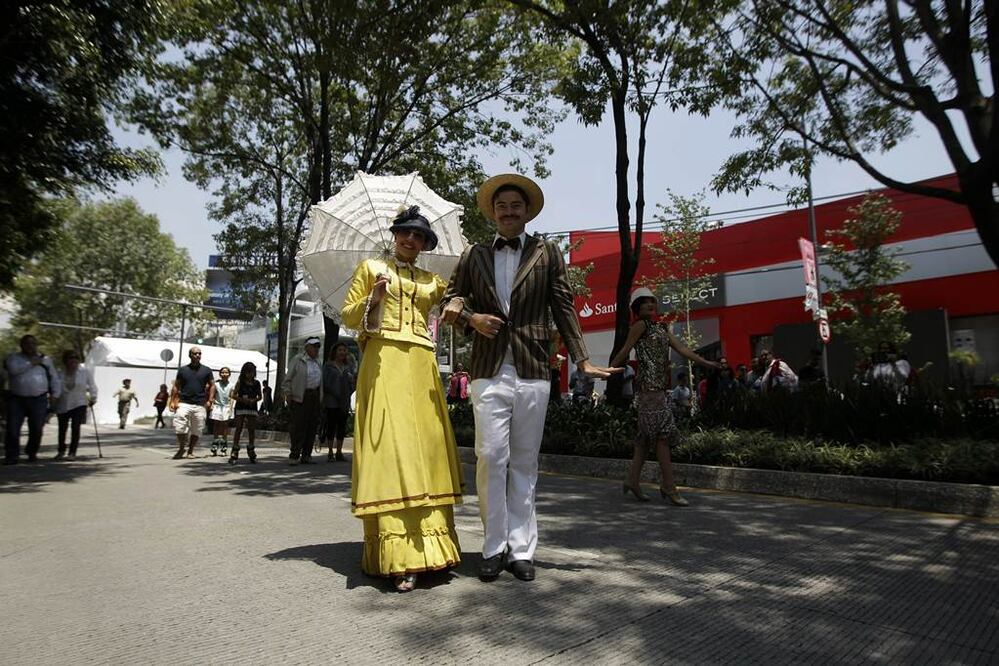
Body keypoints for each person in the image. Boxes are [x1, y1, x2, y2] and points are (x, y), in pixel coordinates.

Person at [441, 173, 617, 583]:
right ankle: (492, 546)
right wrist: (468, 316)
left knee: (524, 462)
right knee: (490, 458)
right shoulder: (473, 255)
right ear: (493, 212)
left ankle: (521, 550)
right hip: (487, 369)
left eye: (514, 205)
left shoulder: (547, 252)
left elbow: (563, 305)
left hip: (534, 366)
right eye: (501, 205)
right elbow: (452, 297)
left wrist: (582, 359)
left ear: (526, 212)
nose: (507, 211)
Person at [341, 205, 465, 593]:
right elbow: (347, 315)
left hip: (422, 362)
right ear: (395, 235)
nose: (411, 240)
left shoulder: (433, 281)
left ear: (426, 244)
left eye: (420, 236)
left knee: (425, 449)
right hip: (383, 360)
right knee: (390, 449)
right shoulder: (370, 269)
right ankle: (398, 559)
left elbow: (459, 304)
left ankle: (432, 551)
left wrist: (459, 304)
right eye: (405, 233)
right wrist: (373, 299)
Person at [611, 288, 721, 506]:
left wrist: (706, 362)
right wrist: (608, 370)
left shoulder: (661, 328)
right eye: (645, 302)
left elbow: (683, 349)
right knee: (662, 436)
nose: (650, 305)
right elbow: (625, 350)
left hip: (658, 388)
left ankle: (633, 480)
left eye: (653, 301)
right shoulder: (640, 326)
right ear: (637, 307)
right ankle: (669, 486)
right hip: (648, 389)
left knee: (645, 438)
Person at [4, 335, 61, 464]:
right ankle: (12, 455)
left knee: (36, 428)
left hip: (39, 399)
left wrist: (55, 395)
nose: (30, 346)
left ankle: (32, 452)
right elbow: (13, 370)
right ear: (21, 345)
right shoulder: (14, 358)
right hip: (17, 398)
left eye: (33, 344)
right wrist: (32, 363)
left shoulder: (46, 360)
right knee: (13, 428)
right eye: (27, 344)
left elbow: (54, 378)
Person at [282, 337, 323, 465]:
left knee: (311, 426)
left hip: (314, 396)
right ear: (307, 347)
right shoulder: (298, 360)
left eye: (318, 346)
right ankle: (294, 454)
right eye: (314, 346)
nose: (316, 349)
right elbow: (287, 379)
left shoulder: (318, 363)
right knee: (298, 426)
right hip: (300, 397)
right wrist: (288, 394)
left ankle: (306, 454)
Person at [169, 346, 214, 459]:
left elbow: (212, 385)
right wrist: (172, 401)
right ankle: (181, 448)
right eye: (195, 353)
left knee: (197, 429)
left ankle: (190, 451)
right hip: (184, 402)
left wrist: (210, 400)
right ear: (190, 355)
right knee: (179, 426)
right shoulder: (183, 370)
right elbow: (176, 386)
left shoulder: (207, 370)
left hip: (200, 403)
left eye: (199, 353)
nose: (197, 355)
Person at [54, 350, 97, 460]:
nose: (73, 360)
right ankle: (61, 450)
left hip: (79, 402)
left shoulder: (84, 372)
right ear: (65, 360)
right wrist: (53, 402)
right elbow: (56, 389)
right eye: (70, 358)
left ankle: (72, 452)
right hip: (63, 403)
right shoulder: (59, 373)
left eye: (75, 358)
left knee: (75, 427)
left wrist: (93, 397)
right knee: (62, 428)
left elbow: (92, 385)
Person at [322, 342, 356, 463]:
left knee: (342, 427)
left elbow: (353, 384)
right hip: (332, 401)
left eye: (344, 350)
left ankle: (339, 452)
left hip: (344, 401)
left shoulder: (349, 367)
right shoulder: (328, 366)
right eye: (340, 350)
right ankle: (330, 451)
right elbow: (325, 383)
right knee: (331, 426)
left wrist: (351, 384)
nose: (342, 352)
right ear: (335, 352)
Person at [229, 362, 261, 464]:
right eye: (248, 372)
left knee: (251, 429)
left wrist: (253, 400)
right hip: (241, 407)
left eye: (252, 372)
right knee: (239, 428)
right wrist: (242, 399)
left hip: (252, 407)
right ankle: (235, 450)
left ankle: (251, 449)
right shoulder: (240, 382)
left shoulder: (257, 383)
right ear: (244, 372)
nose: (250, 374)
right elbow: (233, 395)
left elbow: (260, 396)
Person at [209, 367, 233, 456]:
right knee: (216, 425)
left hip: (226, 407)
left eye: (226, 372)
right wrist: (211, 404)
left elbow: (231, 397)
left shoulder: (231, 385)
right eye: (222, 372)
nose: (224, 374)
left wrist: (231, 408)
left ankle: (224, 444)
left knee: (225, 426)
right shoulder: (216, 384)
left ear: (229, 374)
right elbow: (213, 395)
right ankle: (215, 443)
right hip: (217, 406)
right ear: (220, 374)